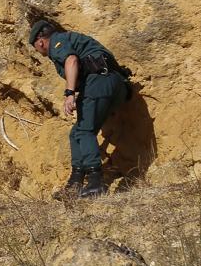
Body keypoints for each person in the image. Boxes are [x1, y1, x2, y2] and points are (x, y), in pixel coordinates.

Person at [29, 20, 130, 198]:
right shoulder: (71, 39)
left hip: (100, 82)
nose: (38, 50)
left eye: (35, 47)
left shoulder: (58, 42)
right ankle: (75, 183)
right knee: (76, 133)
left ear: (40, 41)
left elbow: (71, 60)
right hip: (115, 86)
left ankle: (95, 182)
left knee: (84, 132)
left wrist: (69, 94)